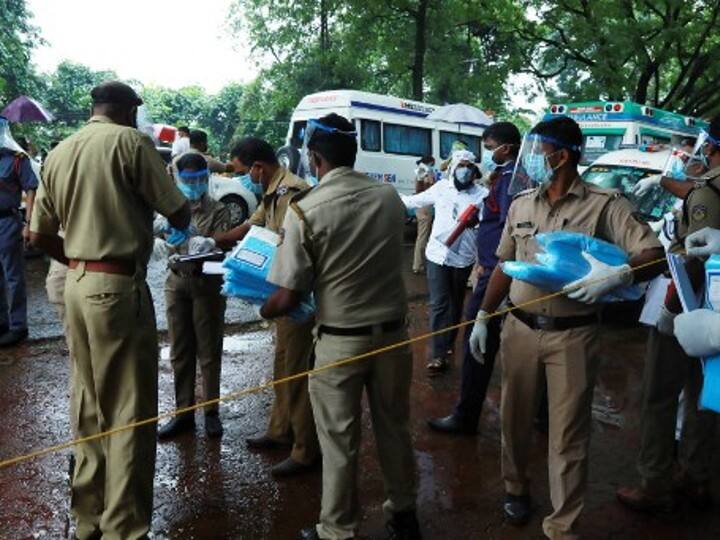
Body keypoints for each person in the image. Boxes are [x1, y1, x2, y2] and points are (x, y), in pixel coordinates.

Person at [470, 116, 663, 539]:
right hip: (519, 328)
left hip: (574, 334)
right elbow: (505, 263)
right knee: (514, 419)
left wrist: (620, 275)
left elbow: (653, 252)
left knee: (569, 433)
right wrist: (483, 315)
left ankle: (563, 524)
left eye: (540, 149)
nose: (534, 157)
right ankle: (515, 488)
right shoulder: (522, 203)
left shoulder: (605, 203)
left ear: (563, 154)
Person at [29, 81, 191, 540]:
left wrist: (81, 261)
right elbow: (178, 212)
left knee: (87, 401)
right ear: (127, 110)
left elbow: (38, 236)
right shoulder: (130, 142)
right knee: (128, 409)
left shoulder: (60, 152)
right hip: (117, 286)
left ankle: (88, 519)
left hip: (75, 285)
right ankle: (124, 527)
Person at [260, 114, 420, 540]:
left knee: (339, 441)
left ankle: (338, 529)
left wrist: (263, 308)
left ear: (313, 157)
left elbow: (289, 295)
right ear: (354, 153)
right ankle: (404, 511)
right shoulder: (388, 198)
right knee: (394, 428)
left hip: (340, 343)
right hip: (392, 338)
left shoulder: (306, 210)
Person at [617, 116, 720, 513]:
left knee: (659, 396)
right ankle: (695, 476)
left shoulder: (708, 193)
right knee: (700, 393)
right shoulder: (706, 187)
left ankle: (654, 482)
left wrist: (668, 310)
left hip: (691, 309)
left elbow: (693, 259)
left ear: (712, 145)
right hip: (712, 310)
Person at [214, 137, 320, 477]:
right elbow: (252, 225)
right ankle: (280, 430)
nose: (244, 179)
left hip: (294, 292)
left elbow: (296, 248)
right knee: (282, 366)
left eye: (245, 172)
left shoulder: (294, 191)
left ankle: (305, 449)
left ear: (259, 166)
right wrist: (212, 242)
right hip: (278, 288)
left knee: (298, 370)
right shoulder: (272, 190)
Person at [428, 121, 520, 434]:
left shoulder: (510, 178)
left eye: (490, 146)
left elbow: (510, 227)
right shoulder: (505, 177)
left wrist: (488, 264)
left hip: (497, 271)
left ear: (505, 148)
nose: (488, 153)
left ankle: (466, 416)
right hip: (492, 266)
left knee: (477, 339)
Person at [156, 152, 231, 440]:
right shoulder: (170, 208)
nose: (194, 184)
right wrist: (157, 240)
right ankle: (183, 413)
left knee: (209, 350)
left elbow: (224, 249)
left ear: (206, 178)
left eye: (200, 179)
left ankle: (211, 412)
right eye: (188, 180)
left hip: (207, 284)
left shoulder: (219, 209)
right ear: (179, 179)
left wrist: (205, 242)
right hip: (176, 282)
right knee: (180, 350)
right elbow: (161, 237)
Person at [401, 149, 487, 375]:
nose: (464, 170)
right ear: (452, 168)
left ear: (475, 169)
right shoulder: (441, 188)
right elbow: (413, 201)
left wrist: (476, 222)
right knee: (439, 303)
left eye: (469, 165)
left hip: (463, 258)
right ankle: (437, 355)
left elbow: (489, 224)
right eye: (461, 165)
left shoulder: (482, 195)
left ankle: (447, 343)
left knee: (456, 303)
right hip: (437, 255)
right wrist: (386, 196)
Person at [0, 117, 39, 347]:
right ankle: (2, 322)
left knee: (12, 276)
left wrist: (28, 223)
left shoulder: (16, 160)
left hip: (7, 221)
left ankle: (18, 326)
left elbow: (31, 189)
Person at [412, 155, 436, 274]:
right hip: (425, 207)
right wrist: (431, 180)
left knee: (422, 236)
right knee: (423, 237)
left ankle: (419, 264)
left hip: (422, 206)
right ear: (430, 162)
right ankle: (418, 265)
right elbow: (421, 189)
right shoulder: (424, 172)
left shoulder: (421, 171)